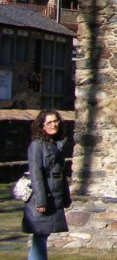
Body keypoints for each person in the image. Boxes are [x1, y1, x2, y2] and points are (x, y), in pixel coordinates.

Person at [22, 110, 72, 260]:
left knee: (43, 234)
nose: (53, 125)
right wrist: (41, 200)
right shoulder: (37, 145)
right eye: (49, 122)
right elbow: (36, 174)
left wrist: (65, 197)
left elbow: (61, 174)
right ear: (42, 125)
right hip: (42, 196)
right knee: (40, 234)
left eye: (56, 121)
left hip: (54, 195)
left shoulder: (55, 144)